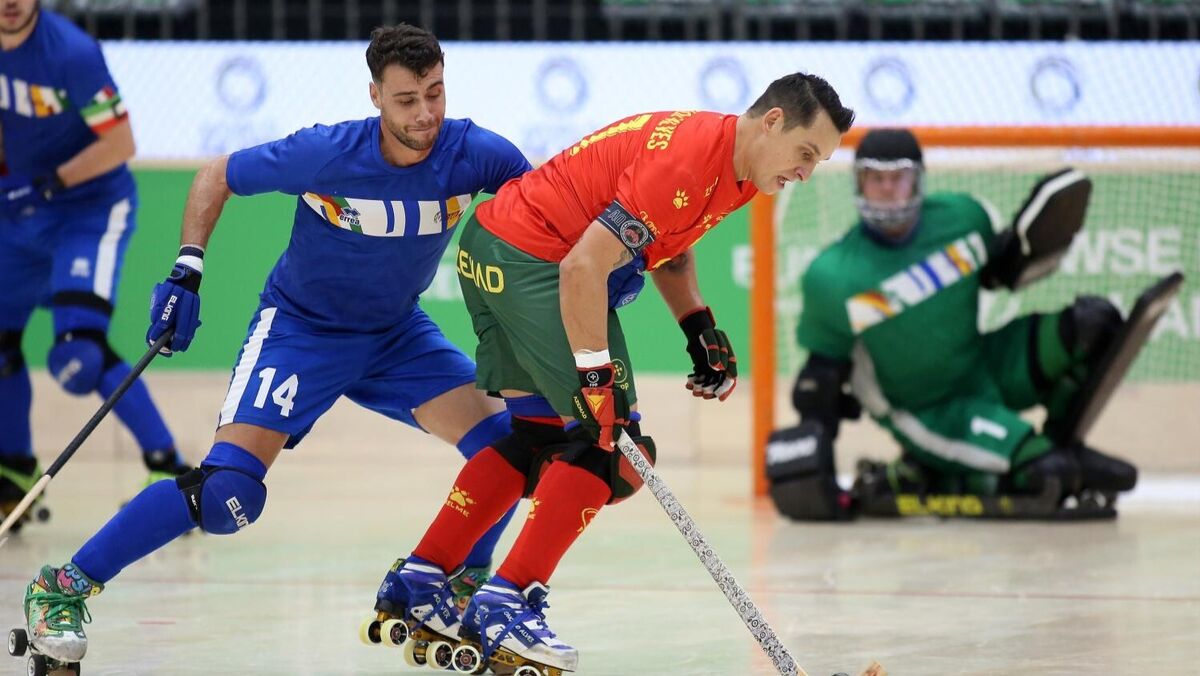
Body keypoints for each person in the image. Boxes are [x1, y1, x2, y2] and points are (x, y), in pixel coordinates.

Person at [16, 23, 532, 668]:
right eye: (407, 99)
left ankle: (456, 586)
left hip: (397, 335)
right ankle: (61, 588)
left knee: (510, 450)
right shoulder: (326, 153)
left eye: (435, 93)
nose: (425, 113)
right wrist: (187, 269)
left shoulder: (478, 154)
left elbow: (543, 215)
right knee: (227, 495)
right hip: (301, 332)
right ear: (375, 95)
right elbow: (216, 176)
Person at [375, 73, 854, 675]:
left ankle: (421, 578)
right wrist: (596, 379)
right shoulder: (688, 162)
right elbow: (583, 268)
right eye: (805, 153)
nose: (805, 173)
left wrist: (697, 324)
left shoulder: (734, 161)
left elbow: (669, 244)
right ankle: (507, 602)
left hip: (495, 246)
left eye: (818, 163)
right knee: (611, 450)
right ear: (774, 121)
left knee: (538, 437)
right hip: (538, 260)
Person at [789, 127, 1137, 517]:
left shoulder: (964, 219)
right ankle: (935, 470)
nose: (887, 189)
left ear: (918, 180)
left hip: (984, 365)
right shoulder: (832, 278)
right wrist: (815, 474)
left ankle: (1057, 447)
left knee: (1094, 324)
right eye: (876, 178)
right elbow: (819, 383)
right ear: (859, 183)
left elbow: (1001, 276)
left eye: (899, 177)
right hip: (929, 412)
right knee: (1050, 473)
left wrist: (1025, 251)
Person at [0, 0, 190, 529]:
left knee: (77, 353)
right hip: (18, 212)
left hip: (88, 209)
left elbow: (120, 143)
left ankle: (167, 466)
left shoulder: (72, 54)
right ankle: (14, 471)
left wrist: (46, 184)